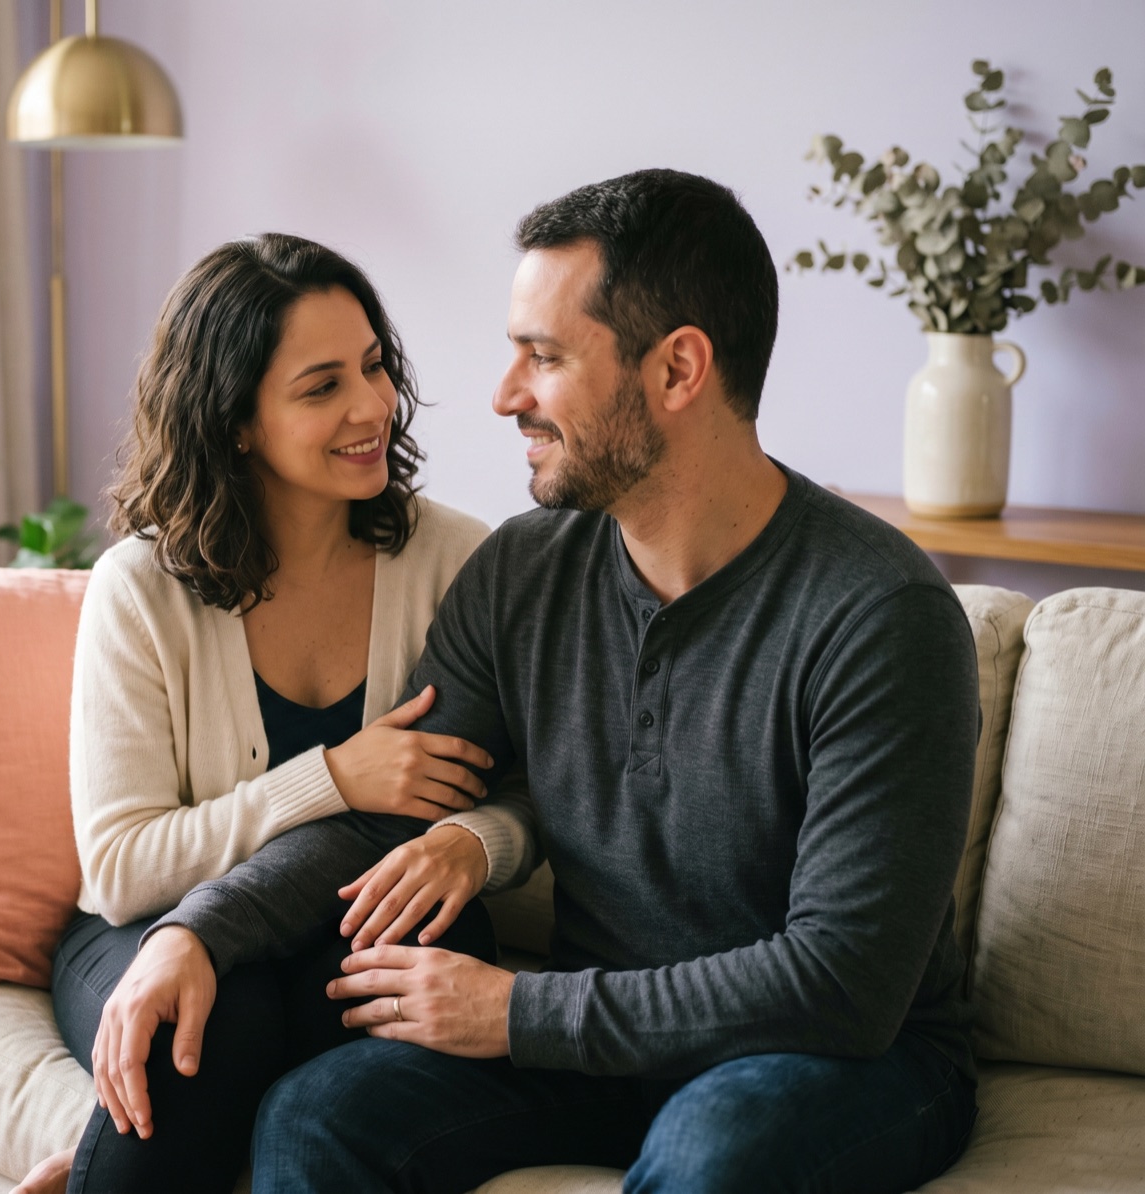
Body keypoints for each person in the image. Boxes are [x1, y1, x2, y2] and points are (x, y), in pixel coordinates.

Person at [90, 170, 984, 1194]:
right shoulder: (523, 570)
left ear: (677, 369)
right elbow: (399, 810)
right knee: (320, 1113)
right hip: (601, 1035)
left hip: (836, 1060)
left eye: (543, 357)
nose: (503, 393)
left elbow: (841, 982)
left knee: (714, 1158)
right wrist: (197, 930)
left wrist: (513, 1012)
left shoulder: (878, 614)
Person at [11, 233, 537, 1194]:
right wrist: (333, 777)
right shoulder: (141, 588)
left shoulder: (456, 562)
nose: (372, 406)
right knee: (210, 1028)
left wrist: (472, 841)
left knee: (353, 1014)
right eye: (322, 386)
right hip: (145, 930)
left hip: (345, 925)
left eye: (375, 366)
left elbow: (518, 794)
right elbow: (123, 869)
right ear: (237, 421)